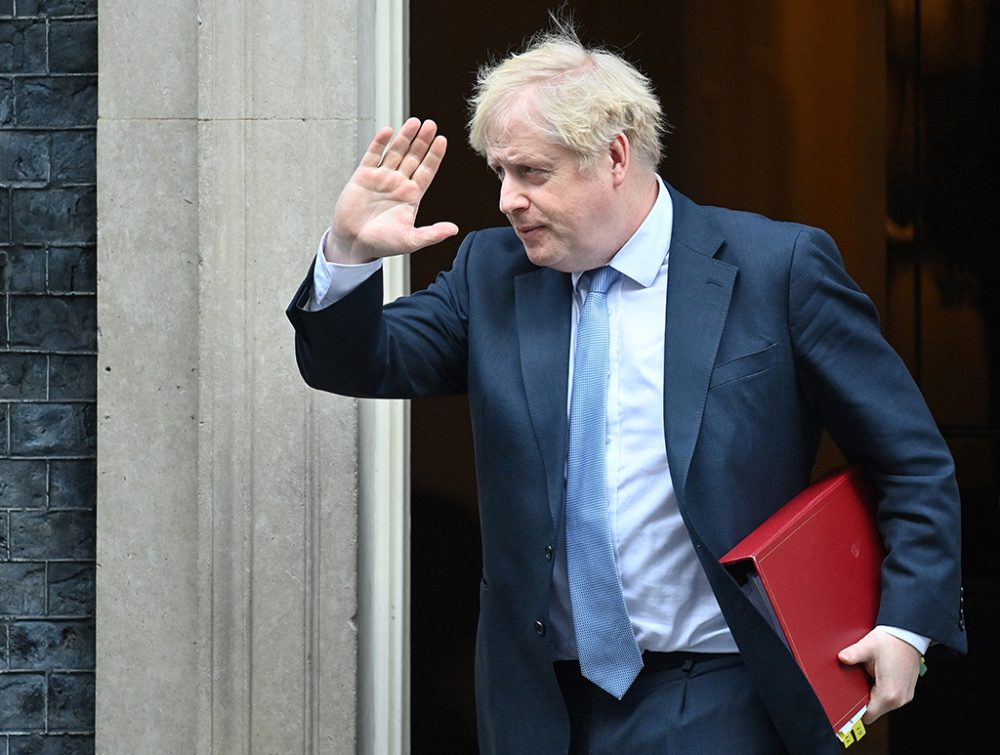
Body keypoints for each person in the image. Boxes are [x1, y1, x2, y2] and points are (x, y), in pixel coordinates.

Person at [287, 21, 966, 755]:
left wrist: (905, 624)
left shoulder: (778, 268)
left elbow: (912, 460)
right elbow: (357, 362)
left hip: (720, 688)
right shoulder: (492, 274)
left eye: (533, 173)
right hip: (541, 704)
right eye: (500, 174)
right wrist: (349, 253)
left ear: (615, 156)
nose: (508, 200)